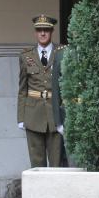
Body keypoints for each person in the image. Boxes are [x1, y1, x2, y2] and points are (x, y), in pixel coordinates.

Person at [17, 15, 65, 167]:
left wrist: (65, 114)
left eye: (46, 30)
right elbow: (22, 89)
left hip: (55, 115)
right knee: (36, 164)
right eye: (39, 30)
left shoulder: (62, 53)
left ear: (52, 31)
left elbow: (67, 87)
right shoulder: (26, 56)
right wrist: (21, 117)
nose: (42, 33)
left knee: (57, 163)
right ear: (35, 32)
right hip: (33, 115)